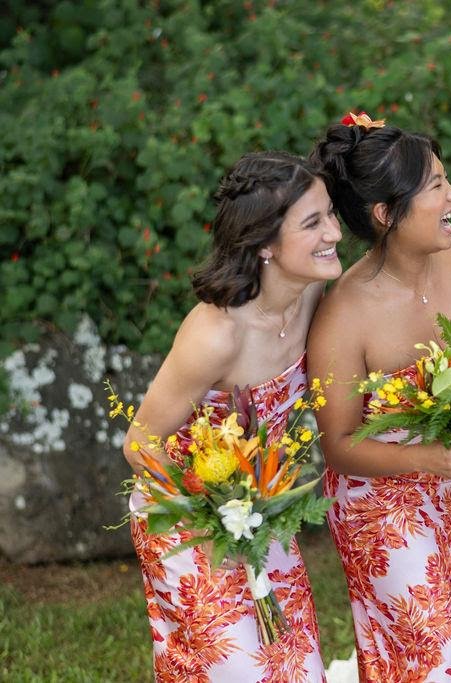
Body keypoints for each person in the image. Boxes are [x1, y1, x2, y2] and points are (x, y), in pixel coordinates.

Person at [123, 151, 341, 681]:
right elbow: (139, 443)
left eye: (331, 214)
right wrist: (216, 518)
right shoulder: (217, 335)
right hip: (187, 517)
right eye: (313, 223)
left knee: (296, 664)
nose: (334, 233)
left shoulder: (312, 290)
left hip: (259, 509)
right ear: (264, 244)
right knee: (241, 667)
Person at [308, 116, 451, 682]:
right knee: (431, 654)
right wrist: (431, 459)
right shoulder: (344, 314)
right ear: (387, 213)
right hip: (383, 502)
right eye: (436, 185)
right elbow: (338, 446)